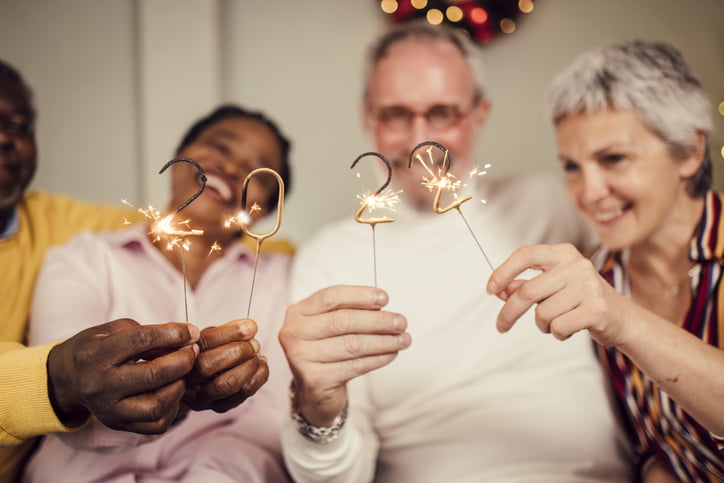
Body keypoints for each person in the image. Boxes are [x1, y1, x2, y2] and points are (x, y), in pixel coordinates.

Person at [278, 21, 632, 482]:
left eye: (442, 112)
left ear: (479, 114)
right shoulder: (329, 258)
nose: (419, 139)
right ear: (369, 119)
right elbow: (335, 477)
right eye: (396, 114)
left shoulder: (554, 204)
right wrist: (315, 407)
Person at [487, 40, 723, 482]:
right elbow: (659, 445)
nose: (588, 192)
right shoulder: (600, 275)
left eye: (614, 159)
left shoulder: (605, 299)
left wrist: (624, 321)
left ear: (689, 153)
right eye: (572, 166)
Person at [21, 104, 294, 482]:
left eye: (258, 170)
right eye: (221, 146)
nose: (232, 169)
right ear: (178, 156)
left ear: (264, 211)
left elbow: (273, 419)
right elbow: (64, 389)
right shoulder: (84, 258)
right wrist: (168, 401)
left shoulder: (284, 279)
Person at [0, 60, 207, 483]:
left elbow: (176, 226)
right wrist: (58, 375)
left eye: (18, 127)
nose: (4, 139)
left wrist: (281, 251)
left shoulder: (53, 219)